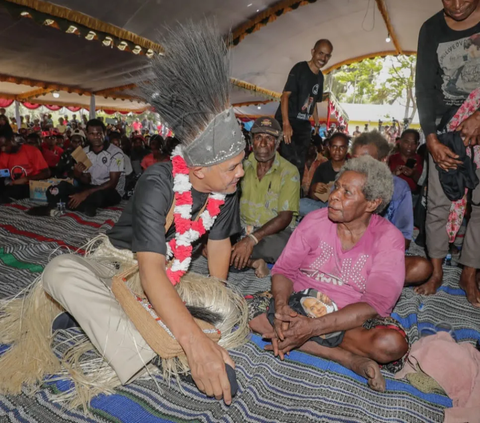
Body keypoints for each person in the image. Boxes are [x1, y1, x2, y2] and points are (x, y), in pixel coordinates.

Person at [0, 21, 250, 407]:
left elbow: (217, 253)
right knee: (60, 271)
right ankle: (153, 348)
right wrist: (194, 341)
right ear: (198, 170)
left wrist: (214, 300)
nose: (241, 173)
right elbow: (149, 271)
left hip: (174, 274)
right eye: (233, 166)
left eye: (241, 163)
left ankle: (110, 323)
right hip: (121, 266)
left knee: (227, 306)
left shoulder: (226, 188)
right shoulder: (158, 180)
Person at [249, 156, 408, 392]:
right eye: (337, 187)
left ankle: (294, 335)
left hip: (348, 318)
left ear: (372, 204)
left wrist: (313, 327)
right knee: (249, 312)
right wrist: (282, 306)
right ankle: (346, 359)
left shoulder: (389, 238)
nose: (334, 195)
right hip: (299, 304)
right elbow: (284, 270)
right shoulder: (314, 221)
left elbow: (376, 303)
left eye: (347, 192)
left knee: (391, 344)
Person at [415, 0, 480, 305]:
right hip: (443, 131)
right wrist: (431, 139)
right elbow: (424, 88)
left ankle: (469, 272)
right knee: (438, 205)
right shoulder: (430, 29)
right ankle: (437, 272)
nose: (455, 5)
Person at [351, 132, 433, 286]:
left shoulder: (399, 188)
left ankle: (361, 278)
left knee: (421, 267)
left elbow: (404, 239)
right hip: (345, 251)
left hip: (379, 254)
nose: (359, 166)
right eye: (355, 160)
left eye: (367, 161)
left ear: (383, 161)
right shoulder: (343, 182)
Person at [230, 117, 300, 278]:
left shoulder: (289, 171)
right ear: (251, 141)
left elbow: (285, 217)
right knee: (211, 245)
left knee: (285, 247)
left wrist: (251, 239)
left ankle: (238, 254)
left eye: (269, 138)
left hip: (272, 235)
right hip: (242, 230)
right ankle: (254, 262)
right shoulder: (241, 167)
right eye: (258, 137)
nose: (262, 143)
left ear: (277, 143)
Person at [29, 119, 125, 217]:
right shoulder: (83, 152)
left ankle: (65, 205)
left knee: (96, 196)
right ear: (87, 135)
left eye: (99, 133)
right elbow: (87, 180)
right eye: (92, 133)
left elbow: (112, 183)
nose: (96, 137)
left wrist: (85, 193)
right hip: (90, 187)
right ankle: (84, 207)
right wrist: (77, 174)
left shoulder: (116, 153)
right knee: (55, 189)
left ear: (105, 133)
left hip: (110, 191)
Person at [275, 39, 333, 178]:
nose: (323, 58)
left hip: (303, 123)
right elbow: (285, 96)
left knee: (300, 163)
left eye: (327, 55)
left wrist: (317, 123)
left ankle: (296, 192)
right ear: (313, 52)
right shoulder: (300, 68)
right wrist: (286, 124)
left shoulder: (320, 77)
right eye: (320, 53)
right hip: (289, 120)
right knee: (287, 160)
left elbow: (313, 103)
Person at [300, 133, 349, 216]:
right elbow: (313, 197)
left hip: (345, 207)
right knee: (299, 204)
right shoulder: (322, 168)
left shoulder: (352, 168)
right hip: (324, 207)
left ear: (346, 149)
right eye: (334, 147)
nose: (337, 151)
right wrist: (315, 188)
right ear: (329, 148)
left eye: (341, 147)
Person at [0, 131, 50, 203]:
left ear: (13, 139)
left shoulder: (32, 151)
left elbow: (47, 173)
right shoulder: (3, 154)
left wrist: (26, 179)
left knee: (11, 192)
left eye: (5, 145)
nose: (3, 149)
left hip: (31, 185)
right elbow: (3, 175)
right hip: (12, 185)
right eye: (0, 146)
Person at [388, 129, 423, 196]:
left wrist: (414, 174)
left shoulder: (422, 161)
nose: (409, 146)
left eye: (413, 143)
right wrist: (393, 174)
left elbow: (425, 184)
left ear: (417, 145)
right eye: (406, 142)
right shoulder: (390, 159)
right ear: (400, 142)